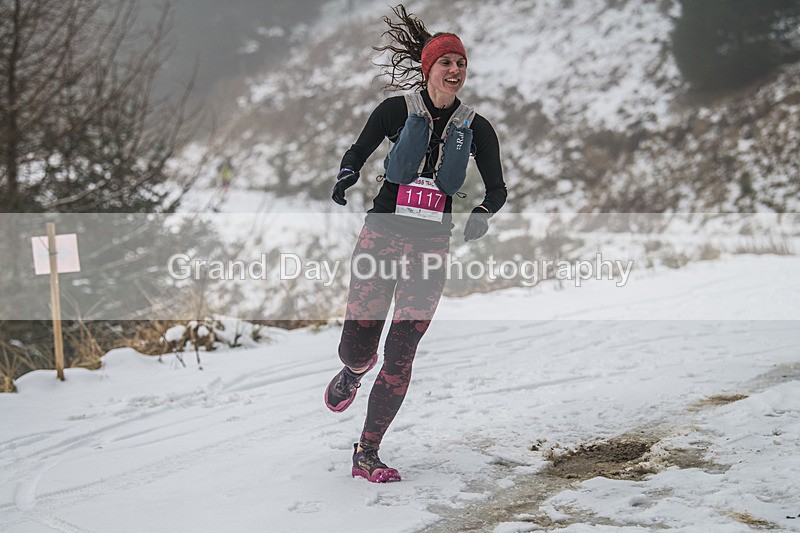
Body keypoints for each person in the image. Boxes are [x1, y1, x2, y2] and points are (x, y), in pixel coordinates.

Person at [324, 4, 507, 483]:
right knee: (359, 346)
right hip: (382, 233)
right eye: (446, 62)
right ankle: (352, 371)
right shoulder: (396, 110)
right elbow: (358, 151)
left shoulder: (478, 127)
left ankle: (367, 452)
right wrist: (346, 176)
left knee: (402, 351)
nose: (455, 69)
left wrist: (483, 215)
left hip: (431, 244)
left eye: (461, 63)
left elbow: (498, 189)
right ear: (429, 69)